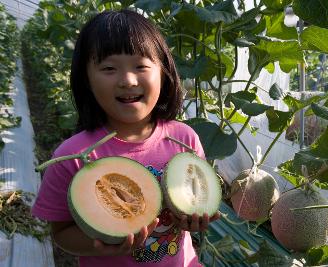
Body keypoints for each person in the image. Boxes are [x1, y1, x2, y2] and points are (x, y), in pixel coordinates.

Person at [31, 9, 219, 267]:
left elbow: (195, 199)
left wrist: (193, 217)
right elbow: (61, 233)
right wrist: (98, 245)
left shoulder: (183, 139)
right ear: (86, 80)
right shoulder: (72, 156)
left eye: (141, 66)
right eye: (109, 68)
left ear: (163, 72)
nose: (128, 80)